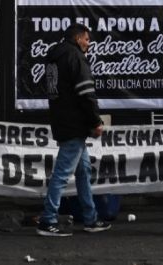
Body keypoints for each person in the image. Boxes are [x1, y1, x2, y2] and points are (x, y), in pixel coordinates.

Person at [36, 23, 111, 237]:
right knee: (62, 174)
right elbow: (86, 92)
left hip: (61, 119)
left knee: (83, 171)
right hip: (75, 124)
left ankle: (90, 218)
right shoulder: (75, 57)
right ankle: (48, 220)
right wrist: (95, 121)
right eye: (87, 39)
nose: (89, 44)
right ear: (78, 38)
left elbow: (53, 90)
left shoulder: (53, 58)